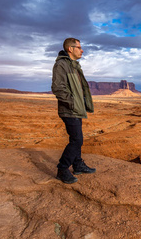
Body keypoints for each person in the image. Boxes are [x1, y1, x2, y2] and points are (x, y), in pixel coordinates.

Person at [52, 37, 96, 184]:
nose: (82, 50)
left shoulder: (74, 65)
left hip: (76, 109)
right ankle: (62, 169)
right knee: (77, 139)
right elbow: (58, 88)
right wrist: (73, 103)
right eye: (79, 47)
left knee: (76, 139)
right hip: (70, 110)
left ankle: (77, 165)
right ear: (70, 49)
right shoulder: (61, 65)